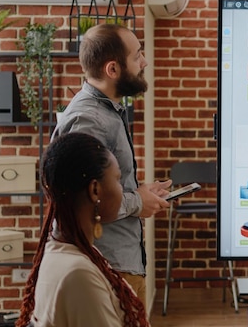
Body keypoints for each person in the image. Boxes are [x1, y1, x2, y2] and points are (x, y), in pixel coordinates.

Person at [52, 23, 171, 306]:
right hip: (108, 270)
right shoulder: (89, 121)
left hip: (119, 266)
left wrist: (139, 192)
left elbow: (104, 187)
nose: (145, 62)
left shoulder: (110, 110)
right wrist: (137, 202)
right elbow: (83, 203)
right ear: (113, 70)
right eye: (137, 55)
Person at [17, 132, 150, 327]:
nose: (121, 190)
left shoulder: (69, 251)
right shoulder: (79, 275)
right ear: (95, 190)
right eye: (117, 179)